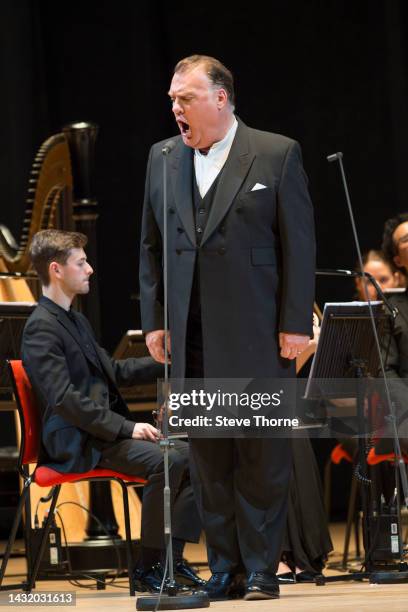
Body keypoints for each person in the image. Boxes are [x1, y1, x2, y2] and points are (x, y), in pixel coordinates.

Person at [139, 55, 315, 600]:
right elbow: (150, 246)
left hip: (258, 332)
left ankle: (262, 568)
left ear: (220, 98)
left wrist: (294, 323)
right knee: (209, 455)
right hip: (190, 334)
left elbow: (299, 245)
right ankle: (226, 568)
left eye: (184, 98)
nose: (175, 107)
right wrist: (154, 321)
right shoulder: (163, 157)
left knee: (261, 453)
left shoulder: (275, 152)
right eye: (172, 98)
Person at [22, 229, 204, 593]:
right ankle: (149, 567)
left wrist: (166, 363)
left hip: (99, 433)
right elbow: (65, 399)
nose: (89, 269)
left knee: (198, 453)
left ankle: (171, 560)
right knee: (168, 460)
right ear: (56, 270)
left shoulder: (74, 319)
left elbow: (114, 372)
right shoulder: (41, 328)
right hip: (77, 440)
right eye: (81, 263)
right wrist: (126, 427)